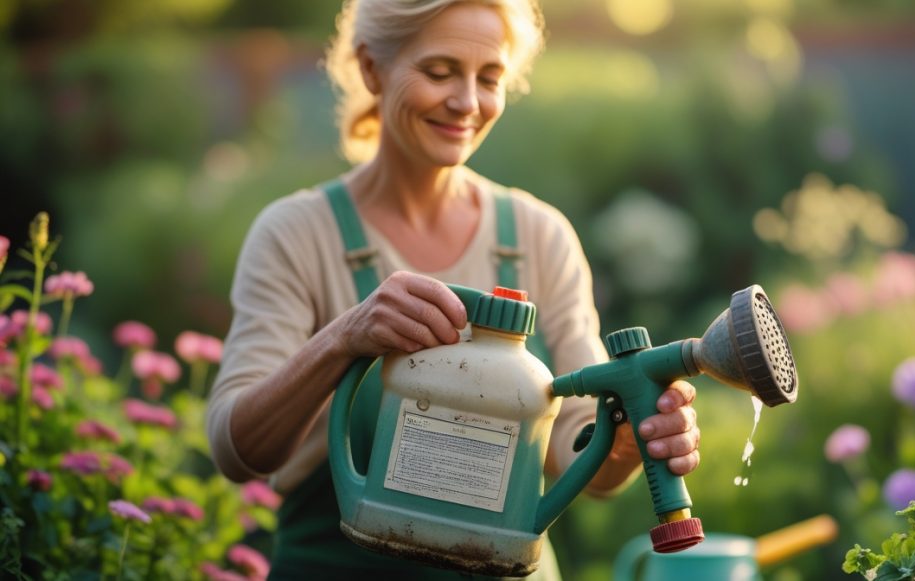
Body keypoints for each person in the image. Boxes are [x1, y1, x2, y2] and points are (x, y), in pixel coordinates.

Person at [205, 0, 701, 578]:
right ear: (372, 68)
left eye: (489, 78)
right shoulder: (298, 234)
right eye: (439, 73)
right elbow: (236, 449)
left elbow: (575, 443)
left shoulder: (538, 236)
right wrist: (346, 337)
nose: (467, 102)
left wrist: (623, 441)